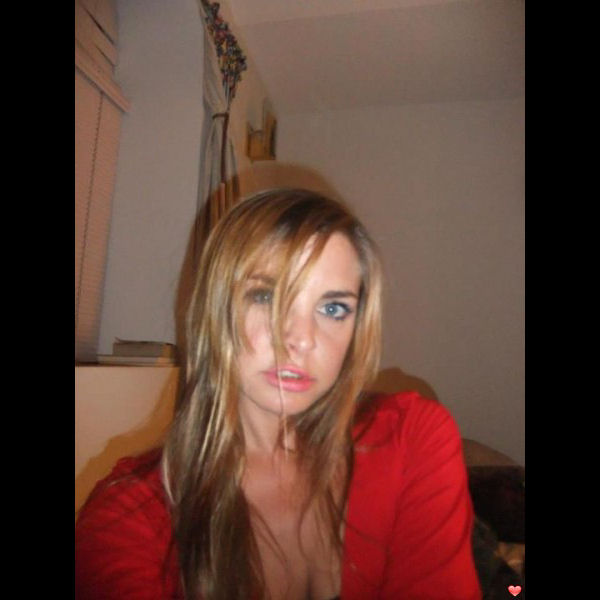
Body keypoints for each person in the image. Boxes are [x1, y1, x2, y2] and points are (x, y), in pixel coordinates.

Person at [75, 188, 482, 600]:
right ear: (215, 310)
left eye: (333, 309)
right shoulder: (128, 516)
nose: (301, 339)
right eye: (265, 296)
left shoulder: (412, 439)